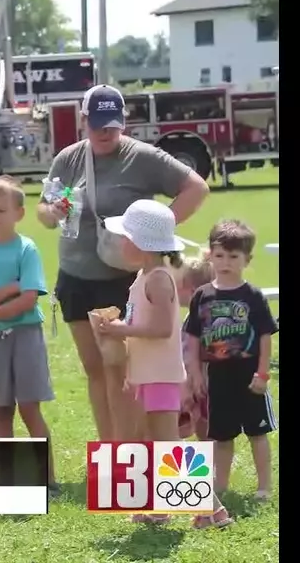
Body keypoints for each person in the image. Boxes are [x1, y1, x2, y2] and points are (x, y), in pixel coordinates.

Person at [37, 84, 210, 442]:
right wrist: (53, 211)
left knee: (122, 370)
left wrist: (157, 231)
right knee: (95, 370)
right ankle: (111, 454)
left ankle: (131, 450)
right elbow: (43, 212)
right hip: (75, 278)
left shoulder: (142, 157)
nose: (106, 132)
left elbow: (196, 188)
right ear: (83, 120)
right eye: (98, 123)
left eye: (113, 125)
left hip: (122, 281)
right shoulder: (68, 159)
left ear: (124, 124)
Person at [91, 199, 202, 526]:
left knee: (168, 441)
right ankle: (152, 507)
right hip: (146, 373)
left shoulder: (158, 279)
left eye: (124, 236)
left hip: (162, 374)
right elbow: (143, 322)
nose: (120, 242)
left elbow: (163, 328)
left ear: (140, 243)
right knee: (151, 439)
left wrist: (120, 328)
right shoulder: (143, 276)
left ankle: (201, 508)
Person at [0, 176, 59, 494]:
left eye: (0, 210)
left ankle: (46, 477)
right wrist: (11, 287)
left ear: (19, 213)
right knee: (1, 409)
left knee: (30, 408)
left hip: (26, 335)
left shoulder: (27, 248)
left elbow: (29, 299)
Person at [184, 219, 277, 521]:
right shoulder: (202, 295)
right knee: (221, 436)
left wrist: (262, 373)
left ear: (247, 260)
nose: (226, 262)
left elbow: (265, 335)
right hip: (218, 377)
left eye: (234, 257)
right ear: (210, 255)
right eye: (220, 255)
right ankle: (219, 485)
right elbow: (193, 337)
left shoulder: (252, 296)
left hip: (249, 375)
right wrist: (196, 374)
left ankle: (264, 486)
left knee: (257, 433)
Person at [176, 255, 213, 440]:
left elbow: (190, 355)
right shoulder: (198, 317)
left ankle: (213, 466)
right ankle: (211, 466)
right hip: (200, 385)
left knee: (205, 430)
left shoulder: (195, 321)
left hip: (198, 385)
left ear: (191, 291)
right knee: (204, 430)